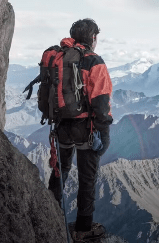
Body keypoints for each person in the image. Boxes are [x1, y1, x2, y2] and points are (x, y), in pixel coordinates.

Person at [47, 18, 113, 240]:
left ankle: (48, 212)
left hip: (61, 125)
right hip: (86, 128)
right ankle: (83, 228)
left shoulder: (58, 58)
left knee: (60, 171)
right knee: (87, 178)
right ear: (93, 38)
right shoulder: (94, 61)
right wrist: (103, 132)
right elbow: (101, 102)